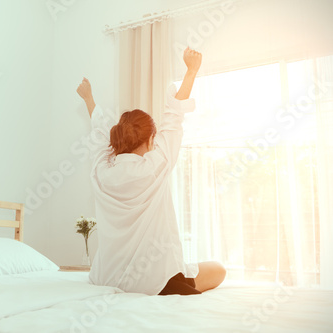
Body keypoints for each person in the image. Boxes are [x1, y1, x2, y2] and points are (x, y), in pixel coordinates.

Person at [76, 47, 226, 296]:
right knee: (218, 269)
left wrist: (89, 99)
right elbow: (174, 117)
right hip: (155, 281)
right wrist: (191, 71)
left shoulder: (101, 171)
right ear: (151, 139)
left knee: (195, 268)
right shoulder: (155, 166)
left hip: (107, 277)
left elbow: (100, 133)